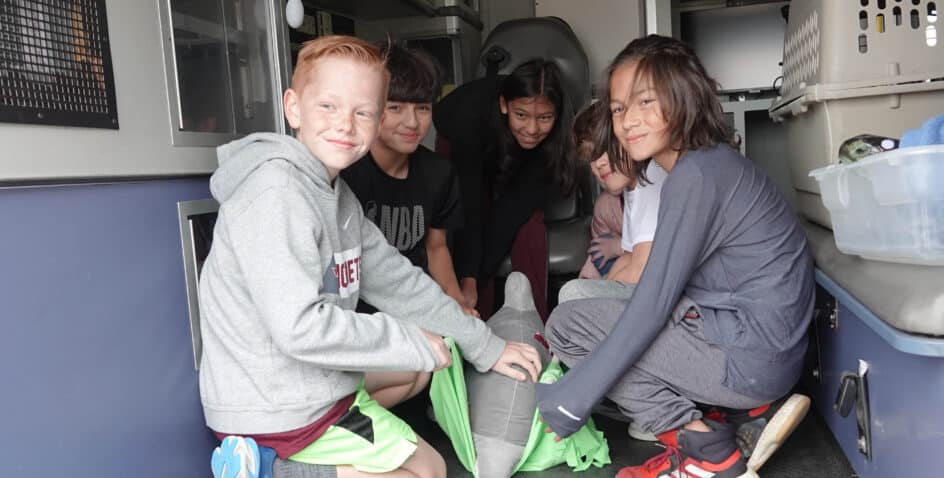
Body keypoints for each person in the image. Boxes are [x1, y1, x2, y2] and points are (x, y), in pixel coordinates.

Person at [198, 35, 542, 478]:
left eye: (362, 112)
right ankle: (275, 471)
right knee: (427, 473)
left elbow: (399, 280)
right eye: (328, 106)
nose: (345, 124)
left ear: (376, 120)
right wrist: (412, 339)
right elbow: (299, 328)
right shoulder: (277, 193)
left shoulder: (335, 194)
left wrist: (484, 346)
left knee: (420, 403)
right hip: (273, 404)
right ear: (293, 108)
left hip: (308, 385)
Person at [535, 35, 814, 478]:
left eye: (645, 101)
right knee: (592, 314)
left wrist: (574, 397)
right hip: (754, 343)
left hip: (751, 358)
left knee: (568, 326)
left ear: (682, 97)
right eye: (619, 108)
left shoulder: (697, 176)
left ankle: (705, 449)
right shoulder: (704, 164)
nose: (628, 121)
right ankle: (738, 416)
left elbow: (653, 303)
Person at [433, 58, 579, 321]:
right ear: (504, 105)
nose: (533, 129)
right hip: (465, 144)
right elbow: (472, 205)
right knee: (464, 228)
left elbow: (508, 214)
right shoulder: (469, 120)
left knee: (527, 224)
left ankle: (536, 325)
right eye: (521, 114)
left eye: (545, 117)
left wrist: (480, 273)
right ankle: (476, 326)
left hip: (514, 156)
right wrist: (469, 281)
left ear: (556, 116)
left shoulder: (554, 142)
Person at [342, 43, 475, 316]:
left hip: (416, 300)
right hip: (360, 308)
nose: (412, 123)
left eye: (423, 108)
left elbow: (436, 247)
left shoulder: (439, 173)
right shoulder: (346, 171)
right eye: (395, 107)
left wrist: (456, 302)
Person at [558, 100, 668, 304]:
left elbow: (641, 272)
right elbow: (628, 257)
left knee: (573, 295)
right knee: (576, 294)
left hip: (671, 296)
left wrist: (598, 296)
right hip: (650, 288)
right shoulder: (632, 189)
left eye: (605, 150)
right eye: (591, 157)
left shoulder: (652, 178)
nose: (598, 163)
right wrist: (604, 284)